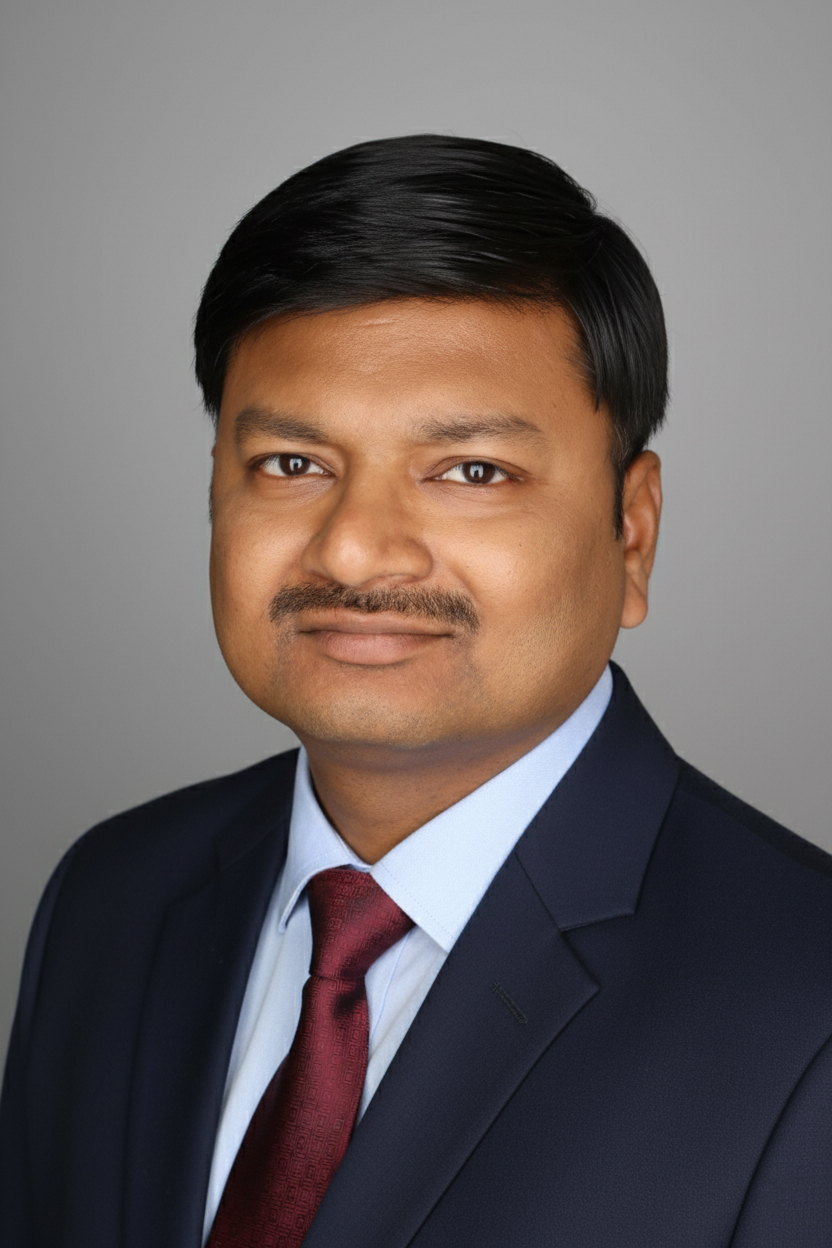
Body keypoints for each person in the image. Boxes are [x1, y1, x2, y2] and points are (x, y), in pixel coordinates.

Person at [1, 134, 830, 1248]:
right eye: (292, 465)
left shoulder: (803, 998)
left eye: (470, 473)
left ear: (631, 533)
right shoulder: (112, 897)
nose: (355, 553)